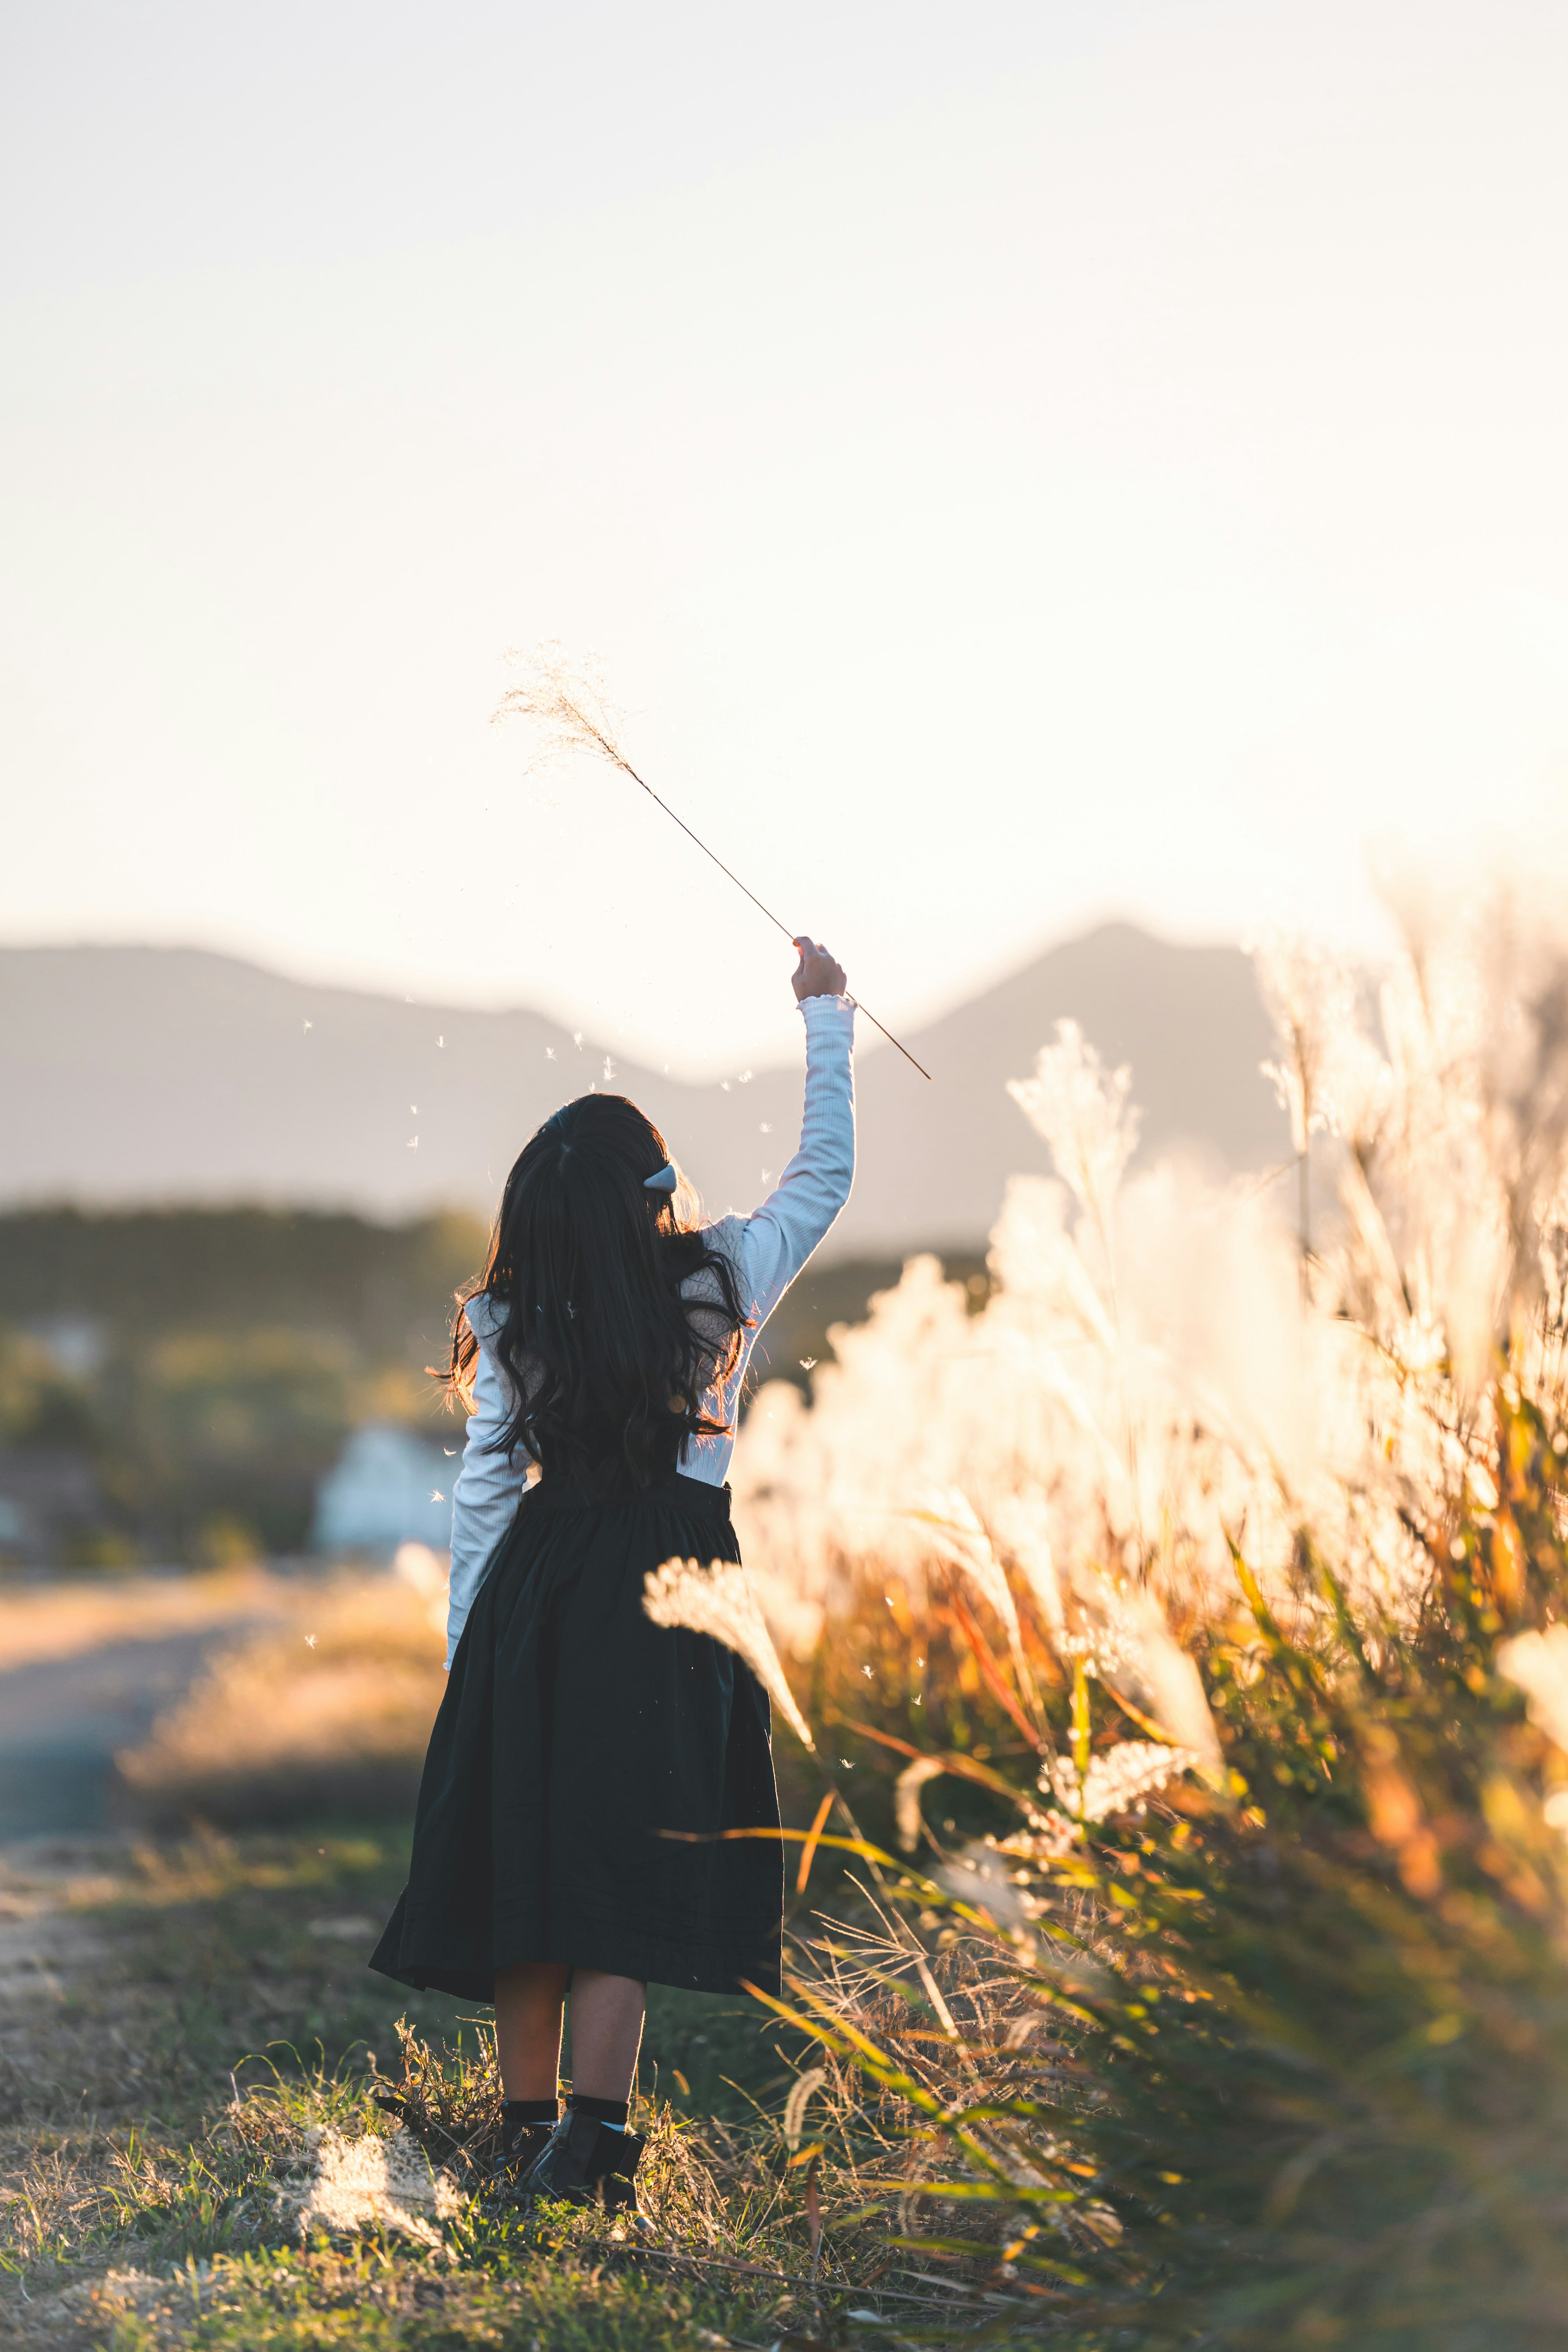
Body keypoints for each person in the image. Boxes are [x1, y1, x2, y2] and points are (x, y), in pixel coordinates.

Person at [370, 938, 855, 2212]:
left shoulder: (515, 1322)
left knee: (528, 1855)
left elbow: (484, 1493)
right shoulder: (724, 1282)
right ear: (656, 1196)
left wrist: (468, 1642)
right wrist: (825, 1020)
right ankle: (590, 2145)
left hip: (541, 1598)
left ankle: (519, 2127)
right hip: (668, 1605)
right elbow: (826, 1176)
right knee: (619, 1877)